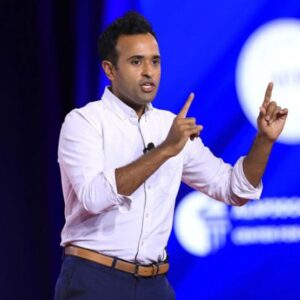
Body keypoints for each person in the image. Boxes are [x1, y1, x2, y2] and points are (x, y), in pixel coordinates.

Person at [54, 11, 288, 300]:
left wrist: (264, 140)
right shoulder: (84, 123)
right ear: (110, 70)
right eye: (136, 62)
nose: (149, 72)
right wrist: (165, 150)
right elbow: (94, 197)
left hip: (155, 285)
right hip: (94, 280)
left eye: (155, 61)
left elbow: (233, 189)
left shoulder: (170, 125)